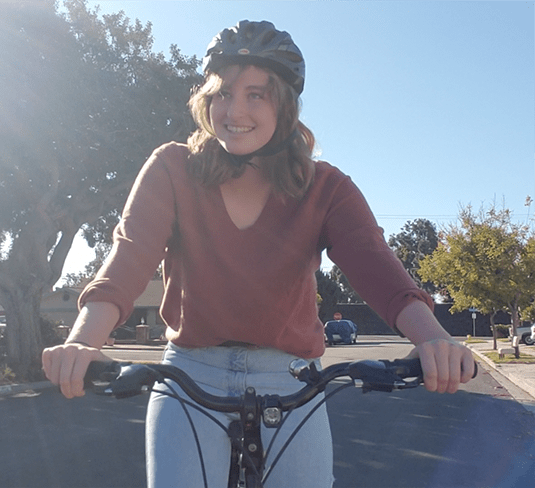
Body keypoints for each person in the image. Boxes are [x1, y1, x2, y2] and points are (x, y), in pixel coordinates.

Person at [42, 20, 475, 488]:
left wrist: (434, 340)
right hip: (189, 371)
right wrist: (83, 342)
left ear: (283, 106)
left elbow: (377, 267)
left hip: (292, 377)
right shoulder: (172, 168)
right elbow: (128, 259)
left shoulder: (326, 187)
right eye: (224, 93)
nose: (235, 110)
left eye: (256, 95)